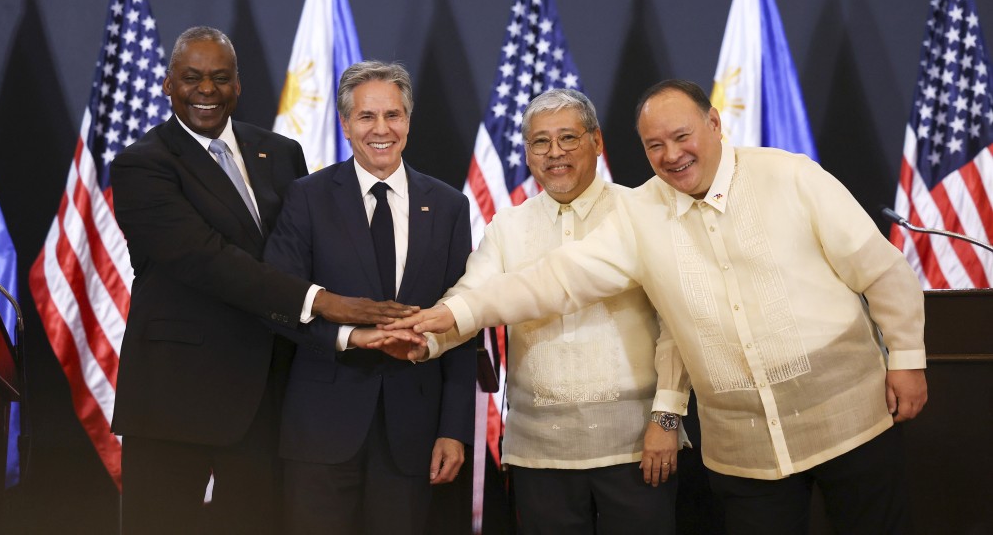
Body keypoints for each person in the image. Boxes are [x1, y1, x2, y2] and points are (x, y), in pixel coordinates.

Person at [387, 79, 928, 535]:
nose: (671, 155)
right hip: (743, 450)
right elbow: (557, 279)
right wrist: (452, 316)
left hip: (849, 416)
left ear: (715, 124)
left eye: (681, 136)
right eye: (653, 145)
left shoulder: (790, 175)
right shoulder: (641, 213)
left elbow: (878, 268)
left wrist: (906, 355)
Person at [110, 27, 413, 534]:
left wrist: (361, 326)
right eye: (191, 78)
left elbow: (303, 249)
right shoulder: (143, 164)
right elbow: (206, 260)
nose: (206, 89)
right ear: (167, 84)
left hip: (266, 394)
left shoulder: (280, 152)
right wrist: (324, 303)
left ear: (238, 86)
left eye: (220, 78)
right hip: (175, 399)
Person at [379, 89, 681, 534]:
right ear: (527, 153)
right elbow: (470, 297)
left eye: (568, 138)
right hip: (540, 452)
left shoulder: (641, 211)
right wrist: (423, 341)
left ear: (597, 141)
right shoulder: (508, 226)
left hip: (637, 444)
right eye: (540, 142)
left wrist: (667, 417)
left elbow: (676, 326)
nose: (554, 153)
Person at [262, 60, 476, 535]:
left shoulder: (448, 206)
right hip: (320, 431)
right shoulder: (306, 198)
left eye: (393, 115)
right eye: (366, 117)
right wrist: (350, 336)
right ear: (345, 124)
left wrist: (454, 428)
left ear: (408, 120)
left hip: (414, 433)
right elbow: (278, 302)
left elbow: (464, 320)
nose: (381, 129)